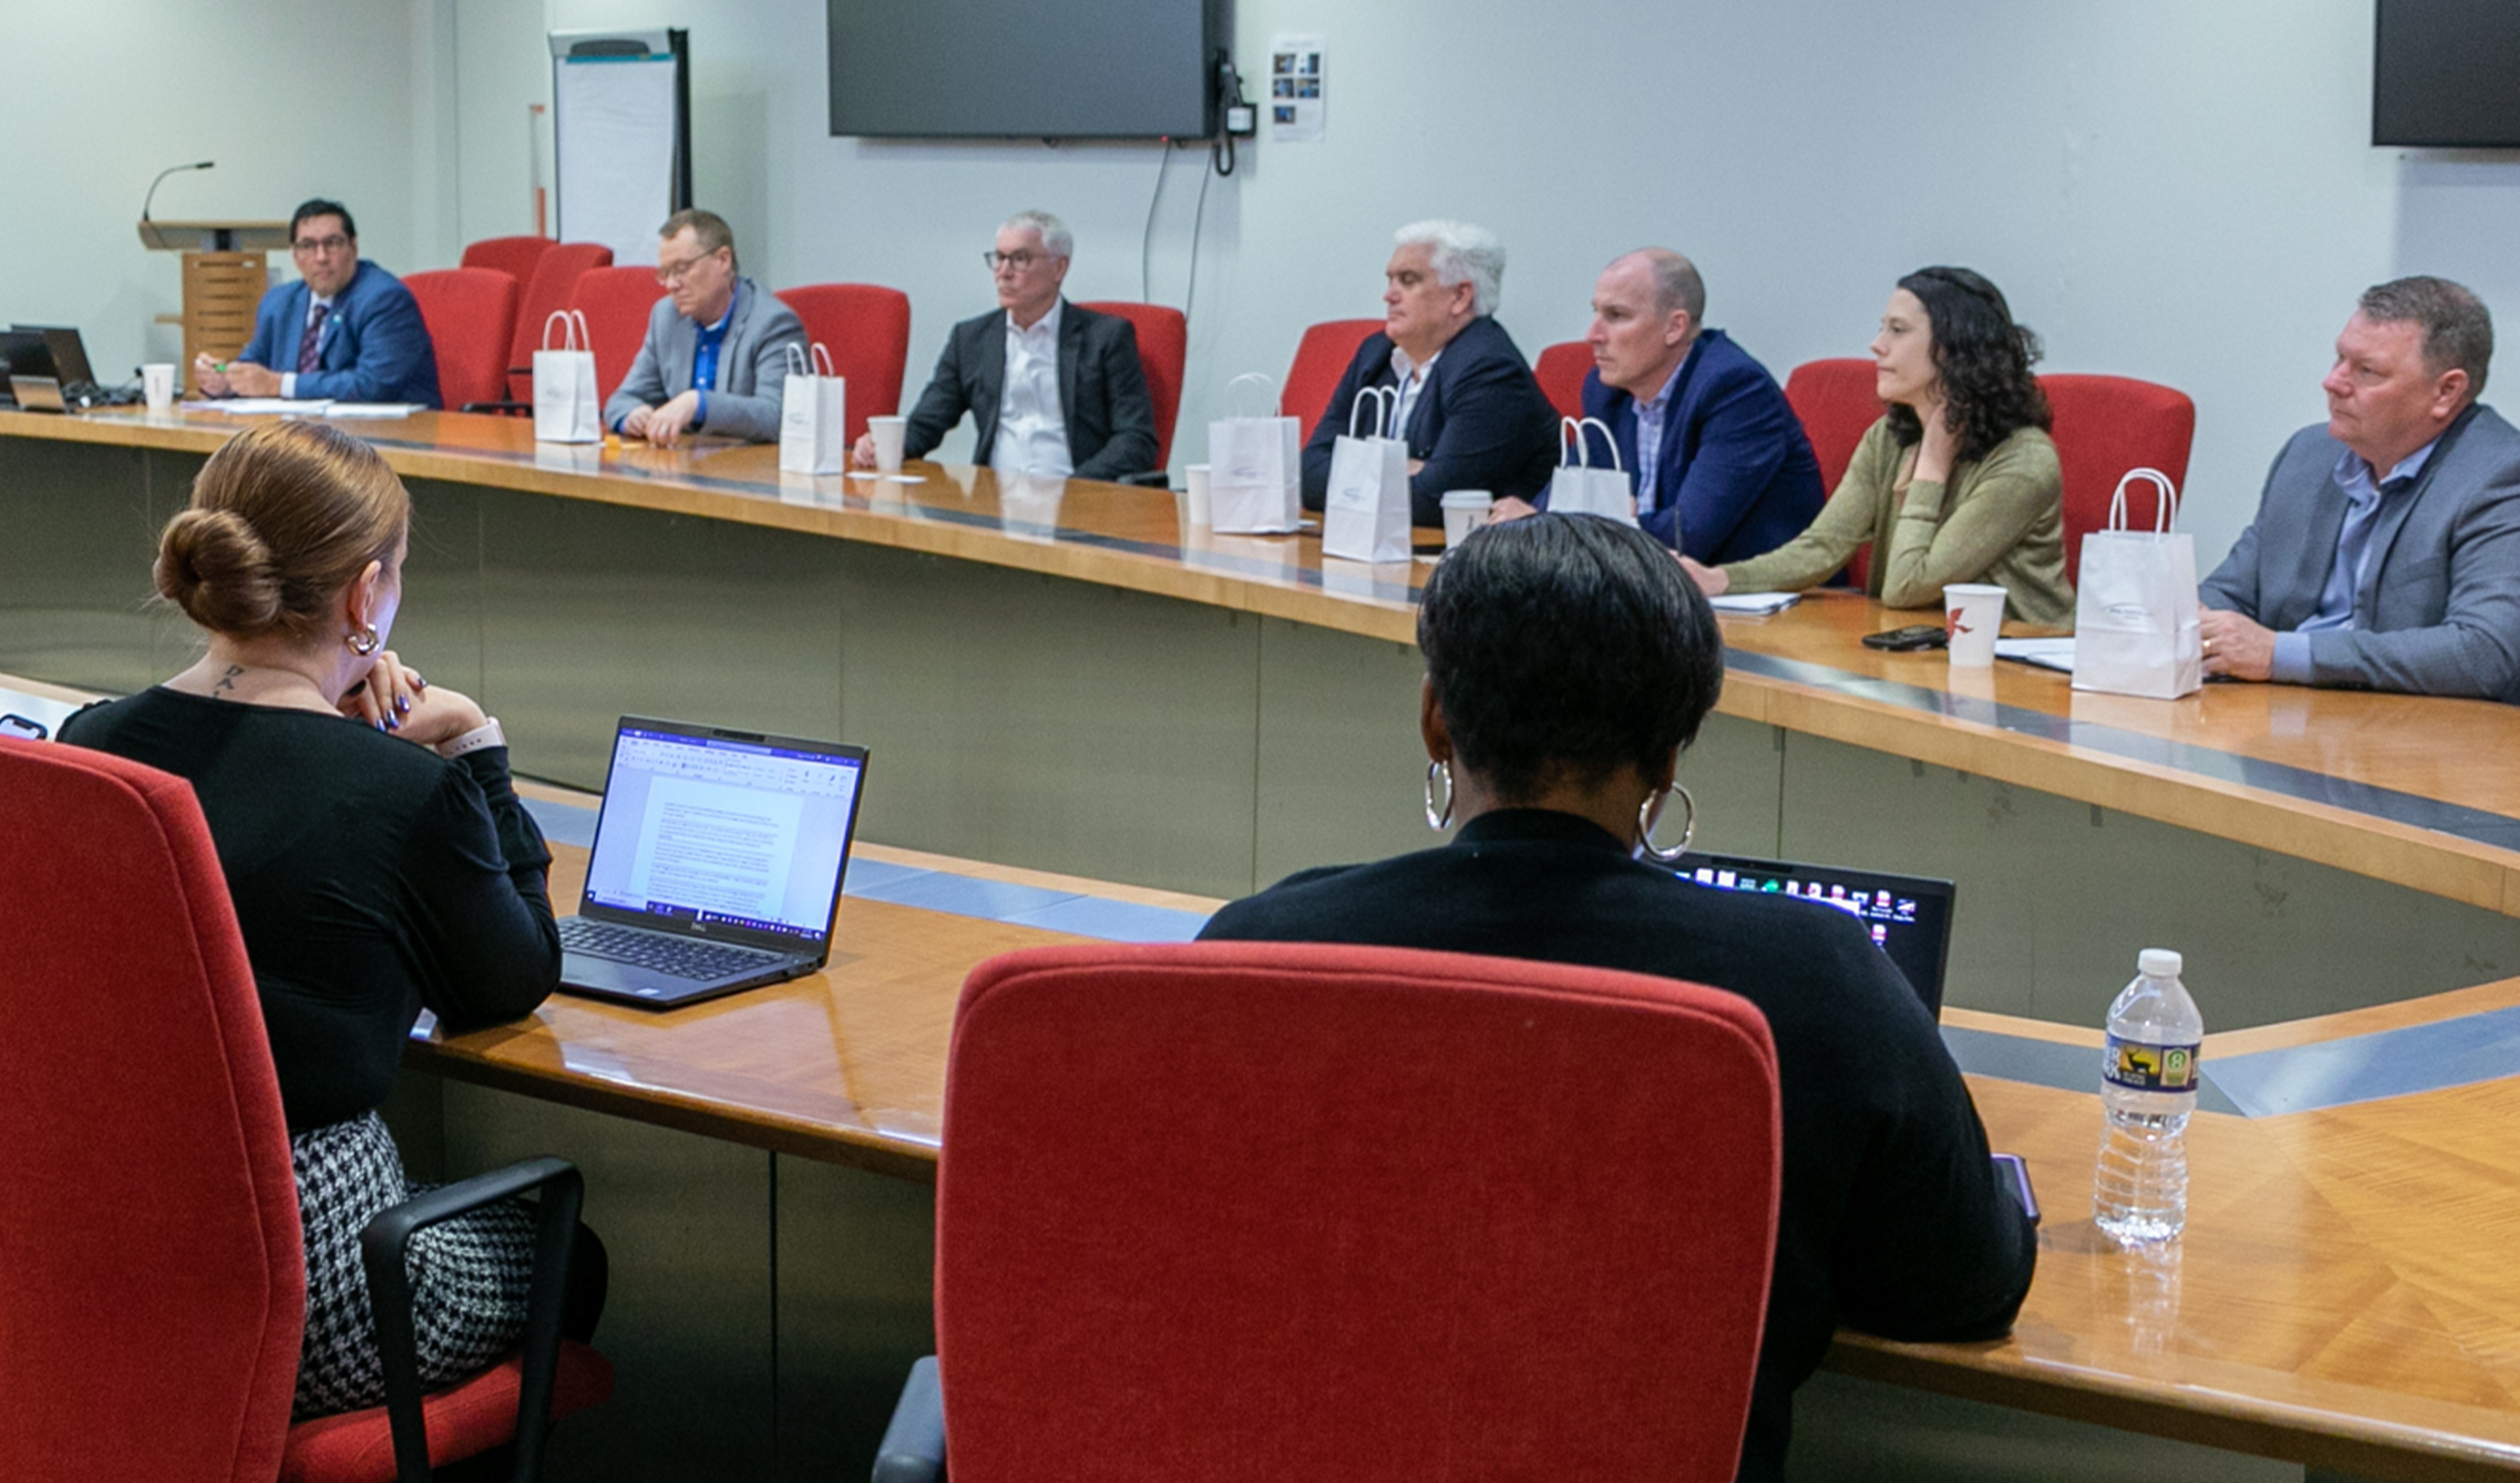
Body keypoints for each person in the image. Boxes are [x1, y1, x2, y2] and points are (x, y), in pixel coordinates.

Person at [1198, 512, 2035, 1481]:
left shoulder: (1259, 952)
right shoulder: (1818, 977)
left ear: (1435, 718)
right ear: (1670, 754)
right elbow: (1962, 1289)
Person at [56, 419, 564, 1416]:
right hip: (313, 1292)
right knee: (563, 1252)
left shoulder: (92, 744)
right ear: (364, 594)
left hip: (99, 1258)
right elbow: (508, 981)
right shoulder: (398, 792)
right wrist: (473, 743)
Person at [2197, 277, 2520, 709]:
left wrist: (2279, 655)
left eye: (2367, 371)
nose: (2333, 382)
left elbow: (2481, 654)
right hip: (2303, 721)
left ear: (2445, 392)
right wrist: (2195, 622)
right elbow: (2234, 591)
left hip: (2456, 749)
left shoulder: (2509, 480)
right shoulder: (2310, 454)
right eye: (2340, 358)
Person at [1687, 267, 2068, 622]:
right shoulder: (1888, 437)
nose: (1876, 345)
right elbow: (1822, 547)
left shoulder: (2024, 461)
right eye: (1881, 328)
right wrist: (1718, 579)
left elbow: (1907, 586)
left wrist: (1931, 467)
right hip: (1917, 646)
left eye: (1898, 331)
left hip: (2023, 667)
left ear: (1955, 348)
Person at [860, 210, 1158, 481]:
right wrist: (881, 446)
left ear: (1059, 268)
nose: (1003, 272)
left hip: (1077, 499)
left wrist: (1075, 489)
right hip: (993, 502)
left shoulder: (1106, 338)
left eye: (1019, 259)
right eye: (998, 258)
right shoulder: (971, 338)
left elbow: (1136, 439)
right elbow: (926, 423)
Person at [1577, 247, 1822, 562]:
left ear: (1674, 327)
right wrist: (1529, 518)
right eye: (1595, 312)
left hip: (1764, 600)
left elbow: (1688, 535)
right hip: (1654, 590)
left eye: (1616, 316)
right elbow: (1567, 498)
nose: (1592, 334)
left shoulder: (1736, 390)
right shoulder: (1606, 391)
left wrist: (1591, 525)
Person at [1298, 220, 1556, 507]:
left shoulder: (1491, 370)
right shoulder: (1376, 354)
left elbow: (1432, 500)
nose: (1389, 295)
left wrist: (1358, 473)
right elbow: (1308, 474)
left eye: (1408, 281)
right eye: (1390, 280)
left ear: (1459, 297)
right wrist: (1402, 469)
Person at [195, 198, 440, 407]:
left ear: (353, 247)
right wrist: (222, 378)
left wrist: (278, 384)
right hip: (307, 438)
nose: (321, 257)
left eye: (332, 243)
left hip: (393, 441)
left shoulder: (384, 299)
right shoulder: (279, 302)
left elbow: (372, 385)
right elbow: (252, 366)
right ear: (295, 255)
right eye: (308, 246)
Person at [605, 209, 811, 444]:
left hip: (748, 472)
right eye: (664, 273)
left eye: (681, 269)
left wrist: (698, 404)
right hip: (683, 469)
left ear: (723, 260)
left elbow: (780, 416)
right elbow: (622, 399)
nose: (671, 284)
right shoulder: (666, 316)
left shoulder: (773, 323)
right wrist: (632, 415)